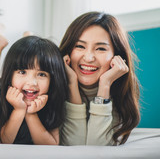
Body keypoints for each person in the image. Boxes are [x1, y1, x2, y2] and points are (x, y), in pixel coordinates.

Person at [59, 11, 140, 146]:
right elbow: (73, 146)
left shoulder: (121, 87)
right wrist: (71, 85)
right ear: (68, 50)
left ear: (116, 55)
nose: (89, 58)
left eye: (101, 49)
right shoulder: (50, 84)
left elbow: (97, 148)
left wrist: (105, 85)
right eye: (80, 46)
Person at [0, 36, 68, 144]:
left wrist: (31, 114)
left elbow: (51, 146)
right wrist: (19, 111)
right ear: (10, 73)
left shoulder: (52, 97)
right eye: (22, 72)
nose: (31, 82)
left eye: (41, 74)